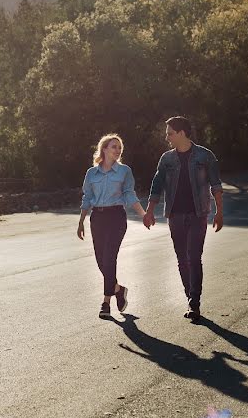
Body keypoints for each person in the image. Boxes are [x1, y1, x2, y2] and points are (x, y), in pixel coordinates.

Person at [143, 116, 223, 322]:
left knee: (194, 257)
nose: (167, 137)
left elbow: (216, 185)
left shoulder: (205, 156)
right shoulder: (167, 159)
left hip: (198, 214)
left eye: (170, 133)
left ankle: (194, 303)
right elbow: (157, 185)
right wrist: (149, 211)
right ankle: (190, 296)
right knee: (181, 258)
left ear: (181, 133)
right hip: (175, 215)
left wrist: (219, 211)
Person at [78, 133, 149, 319]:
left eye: (119, 147)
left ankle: (106, 302)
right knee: (101, 260)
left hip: (116, 217)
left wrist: (143, 214)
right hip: (97, 218)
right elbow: (87, 198)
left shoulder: (124, 171)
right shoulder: (91, 173)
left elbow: (130, 194)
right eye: (113, 146)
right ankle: (118, 289)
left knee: (109, 259)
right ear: (104, 149)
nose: (117, 150)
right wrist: (81, 221)